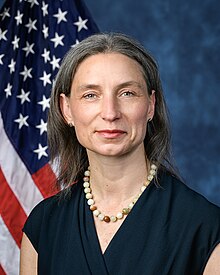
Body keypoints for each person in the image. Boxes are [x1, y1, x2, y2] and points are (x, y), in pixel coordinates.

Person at [20, 32, 220, 275]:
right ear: (67, 109)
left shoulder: (206, 228)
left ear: (150, 105)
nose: (110, 113)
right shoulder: (43, 225)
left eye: (127, 93)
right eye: (90, 95)